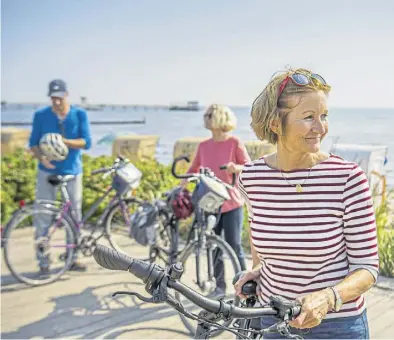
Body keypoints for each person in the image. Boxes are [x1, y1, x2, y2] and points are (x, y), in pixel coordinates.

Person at [234, 68, 379, 339]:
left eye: (324, 116)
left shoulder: (347, 178)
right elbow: (260, 249)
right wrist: (255, 272)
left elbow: (367, 267)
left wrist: (327, 298)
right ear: (276, 123)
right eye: (309, 117)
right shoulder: (251, 178)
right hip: (273, 320)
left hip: (338, 325)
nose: (321, 128)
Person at [183, 104, 251, 299]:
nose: (205, 118)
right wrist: (181, 187)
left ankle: (244, 287)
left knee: (234, 245)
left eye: (209, 115)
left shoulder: (234, 143)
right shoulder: (203, 145)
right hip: (209, 203)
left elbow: (248, 167)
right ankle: (219, 286)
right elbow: (193, 169)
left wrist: (234, 168)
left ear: (220, 118)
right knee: (213, 246)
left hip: (231, 203)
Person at [29, 79, 92, 273]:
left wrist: (64, 141)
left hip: (72, 171)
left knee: (74, 215)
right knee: (43, 214)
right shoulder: (41, 116)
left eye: (59, 98)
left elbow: (86, 142)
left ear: (66, 95)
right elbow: (33, 144)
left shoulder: (79, 114)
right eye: (53, 98)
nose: (56, 102)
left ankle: (73, 257)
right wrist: (43, 158)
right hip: (46, 172)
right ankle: (43, 260)